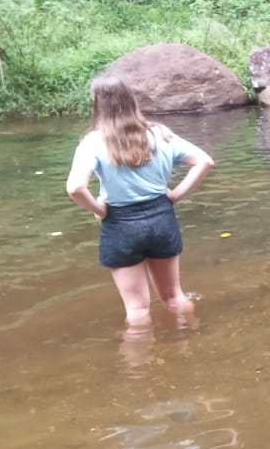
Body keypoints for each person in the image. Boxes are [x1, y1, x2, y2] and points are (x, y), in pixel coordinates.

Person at [66, 74, 215, 325]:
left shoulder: (93, 142)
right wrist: (176, 195)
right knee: (174, 297)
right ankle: (189, 340)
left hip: (120, 224)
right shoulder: (160, 134)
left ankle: (142, 353)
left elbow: (75, 188)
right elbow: (205, 161)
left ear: (97, 103)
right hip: (162, 218)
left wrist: (100, 210)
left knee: (137, 309)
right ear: (131, 99)